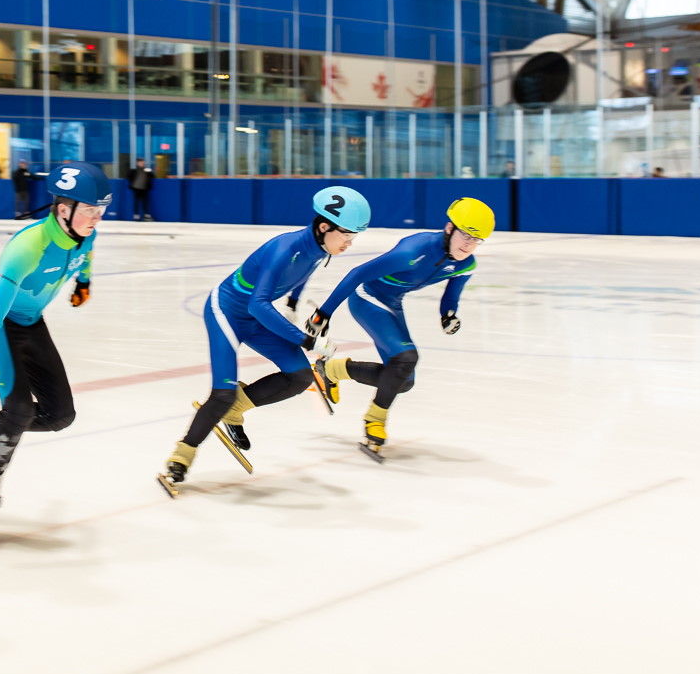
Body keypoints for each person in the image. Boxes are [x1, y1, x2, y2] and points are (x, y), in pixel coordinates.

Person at [160, 186, 370, 490]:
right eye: (347, 235)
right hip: (228, 313)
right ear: (324, 226)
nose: (350, 243)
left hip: (256, 316)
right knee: (221, 394)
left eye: (354, 237)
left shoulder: (320, 247)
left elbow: (304, 273)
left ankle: (237, 408)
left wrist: (294, 304)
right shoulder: (285, 248)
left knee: (299, 376)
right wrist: (307, 341)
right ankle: (182, 456)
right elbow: (256, 304)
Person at [0, 162, 110, 545]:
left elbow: (84, 254)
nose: (96, 218)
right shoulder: (26, 248)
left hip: (31, 322)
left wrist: (84, 282)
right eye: (89, 210)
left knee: (61, 415)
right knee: (18, 408)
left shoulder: (86, 234)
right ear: (62, 208)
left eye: (101, 210)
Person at [315, 197, 494, 462]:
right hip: (367, 298)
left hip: (392, 304)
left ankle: (331, 370)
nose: (469, 245)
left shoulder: (465, 264)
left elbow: (450, 297)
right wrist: (324, 312)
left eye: (476, 240)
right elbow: (357, 274)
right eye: (466, 235)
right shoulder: (413, 251)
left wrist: (448, 315)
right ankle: (374, 421)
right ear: (449, 229)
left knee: (403, 380)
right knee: (407, 358)